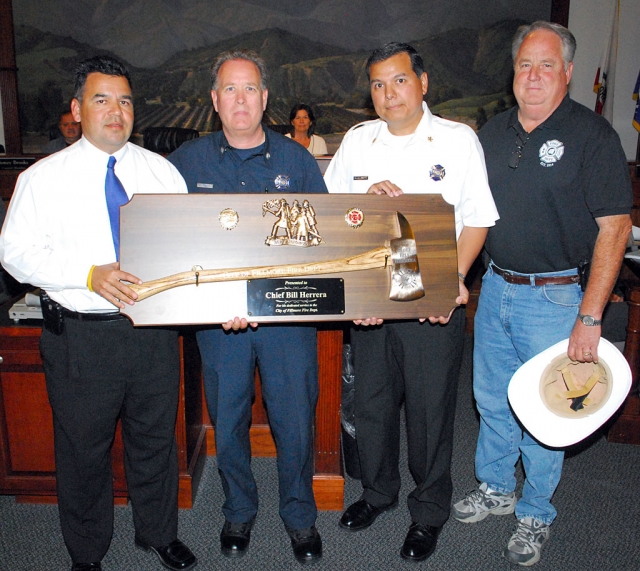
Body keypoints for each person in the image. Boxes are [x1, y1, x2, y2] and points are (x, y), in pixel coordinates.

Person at [0, 55, 197, 571]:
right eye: (102, 99)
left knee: (155, 441)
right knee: (83, 453)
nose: (116, 111)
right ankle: (86, 554)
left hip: (152, 333)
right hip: (81, 339)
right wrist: (88, 274)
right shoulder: (43, 178)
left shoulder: (162, 172)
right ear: (77, 108)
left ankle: (158, 533)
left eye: (125, 100)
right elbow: (14, 253)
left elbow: (189, 246)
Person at [452, 21, 632, 567]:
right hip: (497, 286)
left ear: (569, 72)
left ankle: (535, 514)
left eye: (547, 64)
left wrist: (591, 316)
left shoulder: (594, 137)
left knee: (546, 412)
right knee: (491, 400)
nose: (533, 75)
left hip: (557, 300)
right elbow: (462, 209)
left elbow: (616, 229)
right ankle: (496, 488)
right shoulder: (490, 134)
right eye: (525, 64)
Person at [324, 42, 499, 562]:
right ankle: (377, 493)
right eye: (377, 84)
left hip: (431, 300)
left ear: (422, 83)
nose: (388, 93)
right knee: (372, 403)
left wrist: (451, 283)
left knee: (429, 410)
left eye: (398, 80)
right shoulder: (357, 142)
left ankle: (427, 512)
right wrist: (362, 204)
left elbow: (479, 218)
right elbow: (333, 216)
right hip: (373, 296)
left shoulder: (457, 140)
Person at [168, 49, 327, 565]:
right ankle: (239, 508)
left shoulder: (296, 161)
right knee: (229, 419)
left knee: (295, 421)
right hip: (218, 325)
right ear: (215, 101)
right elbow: (169, 243)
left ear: (264, 99)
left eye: (250, 89)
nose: (241, 99)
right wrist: (217, 300)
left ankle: (300, 516)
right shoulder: (186, 163)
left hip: (287, 321)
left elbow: (320, 244)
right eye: (230, 90)